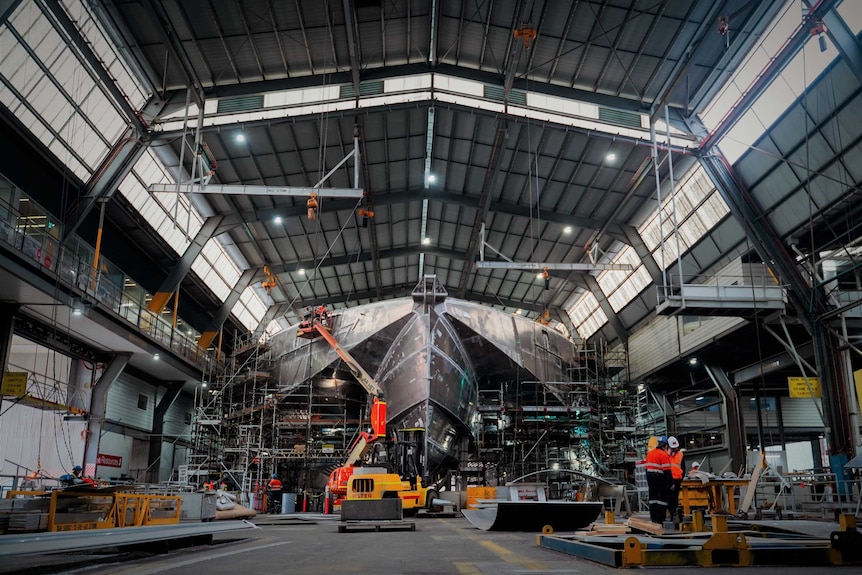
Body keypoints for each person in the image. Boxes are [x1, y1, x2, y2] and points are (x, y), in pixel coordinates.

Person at [645, 435, 672, 524]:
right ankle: (660, 519)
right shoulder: (663, 455)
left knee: (652, 498)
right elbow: (667, 471)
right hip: (659, 476)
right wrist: (671, 483)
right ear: (665, 446)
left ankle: (653, 519)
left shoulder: (650, 453)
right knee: (662, 499)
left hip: (649, 476)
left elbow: (646, 468)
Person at [666, 436, 685, 525]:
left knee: (674, 498)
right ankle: (672, 513)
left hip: (677, 479)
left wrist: (681, 478)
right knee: (669, 498)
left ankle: (674, 514)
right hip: (669, 480)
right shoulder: (665, 454)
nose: (674, 450)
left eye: (675, 448)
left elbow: (683, 467)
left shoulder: (680, 454)